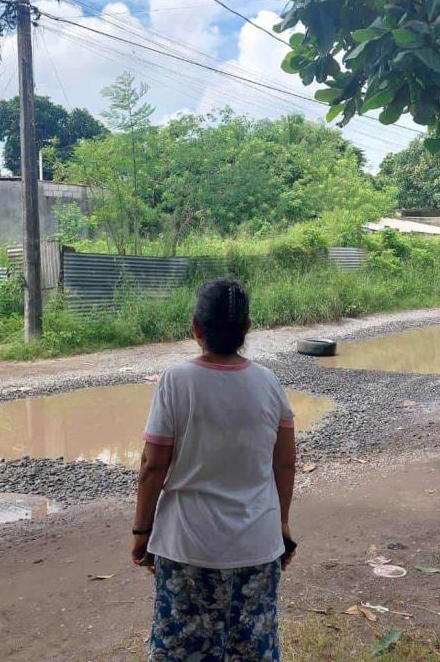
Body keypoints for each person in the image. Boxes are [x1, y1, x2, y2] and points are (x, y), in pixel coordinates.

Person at [132, 278, 297, 661]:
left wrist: (142, 530)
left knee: (182, 650)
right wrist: (282, 524)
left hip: (187, 546)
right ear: (246, 329)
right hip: (257, 545)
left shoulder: (176, 381)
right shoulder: (268, 383)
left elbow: (152, 466)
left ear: (195, 328)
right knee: (251, 649)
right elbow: (285, 462)